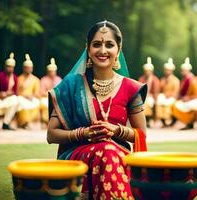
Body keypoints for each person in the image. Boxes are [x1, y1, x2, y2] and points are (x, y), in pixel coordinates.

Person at [47, 21, 147, 200]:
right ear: (88, 48)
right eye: (96, 44)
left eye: (109, 45)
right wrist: (83, 133)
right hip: (78, 157)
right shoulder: (70, 86)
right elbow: (51, 134)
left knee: (108, 150)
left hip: (117, 156)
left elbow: (141, 134)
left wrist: (116, 130)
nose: (103, 50)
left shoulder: (131, 88)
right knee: (106, 151)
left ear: (118, 49)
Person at [172, 57, 197, 130]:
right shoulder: (183, 80)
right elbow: (181, 92)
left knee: (192, 106)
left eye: (184, 70)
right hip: (185, 100)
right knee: (174, 106)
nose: (182, 72)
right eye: (182, 70)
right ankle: (187, 123)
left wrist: (188, 98)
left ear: (188, 71)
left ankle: (190, 123)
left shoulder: (193, 81)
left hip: (192, 100)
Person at [0, 52, 19, 130]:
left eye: (12, 67)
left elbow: (15, 92)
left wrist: (7, 94)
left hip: (8, 99)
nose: (10, 69)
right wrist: (0, 94)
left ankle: (6, 123)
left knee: (15, 100)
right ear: (5, 66)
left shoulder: (15, 77)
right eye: (8, 67)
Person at [17, 54, 40, 129]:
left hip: (31, 98)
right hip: (21, 97)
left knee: (36, 102)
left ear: (32, 68)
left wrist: (32, 96)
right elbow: (16, 92)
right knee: (20, 103)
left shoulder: (35, 79)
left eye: (30, 68)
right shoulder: (19, 79)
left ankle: (27, 122)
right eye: (27, 68)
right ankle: (23, 122)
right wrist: (24, 96)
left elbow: (37, 92)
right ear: (23, 68)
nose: (28, 69)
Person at [156, 58, 179, 127]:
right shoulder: (162, 80)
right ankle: (163, 122)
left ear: (171, 71)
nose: (167, 71)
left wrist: (169, 95)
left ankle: (170, 121)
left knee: (168, 104)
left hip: (171, 97)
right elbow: (160, 90)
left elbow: (176, 92)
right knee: (159, 101)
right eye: (166, 70)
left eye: (168, 70)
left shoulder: (176, 80)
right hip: (164, 97)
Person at [138, 57, 160, 127]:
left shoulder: (155, 79)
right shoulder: (141, 79)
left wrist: (153, 97)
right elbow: (139, 90)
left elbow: (156, 91)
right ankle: (144, 120)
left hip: (151, 97)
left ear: (151, 71)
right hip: (143, 97)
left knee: (149, 102)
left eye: (149, 71)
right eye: (146, 71)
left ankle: (149, 119)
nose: (147, 72)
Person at [40, 58, 62, 125]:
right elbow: (41, 92)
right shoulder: (44, 79)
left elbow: (61, 92)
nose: (52, 73)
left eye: (53, 71)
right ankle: (46, 122)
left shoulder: (59, 79)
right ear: (48, 71)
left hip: (57, 98)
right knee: (44, 103)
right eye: (50, 71)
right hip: (46, 97)